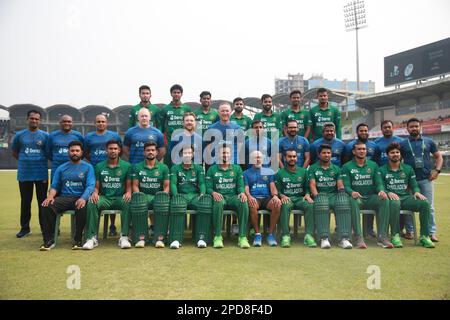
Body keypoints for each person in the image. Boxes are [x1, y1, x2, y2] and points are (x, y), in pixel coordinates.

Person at [39, 141, 95, 250]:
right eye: (72, 151)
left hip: (80, 197)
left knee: (82, 207)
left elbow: (90, 185)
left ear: (81, 152)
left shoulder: (88, 167)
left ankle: (78, 240)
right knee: (46, 206)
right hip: (64, 198)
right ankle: (48, 240)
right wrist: (50, 197)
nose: (75, 153)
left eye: (77, 151)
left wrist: (83, 198)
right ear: (68, 152)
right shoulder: (61, 168)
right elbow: (55, 185)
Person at [379, 142, 435, 248]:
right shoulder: (381, 169)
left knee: (424, 203)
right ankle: (395, 235)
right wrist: (387, 192)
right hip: (392, 199)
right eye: (392, 152)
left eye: (397, 152)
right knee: (395, 202)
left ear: (400, 154)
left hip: (406, 198)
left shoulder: (408, 168)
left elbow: (414, 185)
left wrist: (417, 192)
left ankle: (425, 236)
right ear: (387, 155)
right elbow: (379, 186)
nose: (395, 154)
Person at [340, 141, 392, 249]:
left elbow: (378, 183)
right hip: (357, 198)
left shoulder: (373, 165)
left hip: (371, 198)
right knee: (353, 201)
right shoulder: (346, 166)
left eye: (364, 149)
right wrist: (352, 192)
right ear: (354, 151)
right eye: (359, 149)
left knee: (384, 200)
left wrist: (381, 191)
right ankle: (358, 237)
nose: (362, 151)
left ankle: (382, 237)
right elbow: (346, 186)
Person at [82, 140, 133, 250]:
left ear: (119, 150)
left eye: (115, 149)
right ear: (106, 150)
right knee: (92, 202)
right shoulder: (99, 166)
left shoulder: (127, 166)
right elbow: (96, 186)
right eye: (110, 148)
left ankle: (124, 237)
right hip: (105, 198)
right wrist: (95, 193)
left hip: (120, 198)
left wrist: (129, 192)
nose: (113, 151)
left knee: (128, 202)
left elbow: (129, 186)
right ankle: (91, 238)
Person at [400, 118, 443, 242]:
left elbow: (438, 157)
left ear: (420, 127)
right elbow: (397, 160)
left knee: (429, 207)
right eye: (411, 126)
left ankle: (431, 232)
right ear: (407, 129)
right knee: (408, 207)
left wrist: (437, 170)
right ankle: (410, 231)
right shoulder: (403, 144)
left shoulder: (429, 141)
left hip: (426, 180)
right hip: (408, 182)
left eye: (416, 126)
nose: (414, 128)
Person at [12, 110, 49, 238]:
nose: (34, 121)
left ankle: (45, 228)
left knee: (42, 202)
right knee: (25, 201)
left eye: (37, 119)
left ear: (40, 121)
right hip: (25, 173)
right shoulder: (19, 135)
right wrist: (26, 161)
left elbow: (48, 153)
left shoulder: (45, 136)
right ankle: (25, 228)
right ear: (27, 119)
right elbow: (15, 152)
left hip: (41, 173)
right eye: (32, 118)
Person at [84, 114, 122, 236]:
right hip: (95, 170)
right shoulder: (89, 137)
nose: (101, 123)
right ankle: (91, 227)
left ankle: (112, 225)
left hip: (110, 170)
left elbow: (118, 151)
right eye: (98, 121)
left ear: (107, 123)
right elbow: (86, 152)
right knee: (93, 198)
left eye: (103, 121)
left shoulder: (114, 136)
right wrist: (95, 162)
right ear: (94, 123)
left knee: (111, 194)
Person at [309, 144, 353, 249]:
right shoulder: (313, 168)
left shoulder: (337, 169)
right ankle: (324, 238)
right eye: (324, 153)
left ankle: (344, 239)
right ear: (319, 155)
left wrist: (342, 194)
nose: (326, 155)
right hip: (320, 195)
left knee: (343, 202)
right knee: (322, 203)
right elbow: (312, 185)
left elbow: (340, 184)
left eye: (328, 153)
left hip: (333, 196)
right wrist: (316, 196)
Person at [206, 143, 250, 249]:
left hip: (233, 197)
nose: (225, 155)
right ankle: (217, 236)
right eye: (223, 153)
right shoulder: (212, 169)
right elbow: (208, 187)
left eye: (227, 153)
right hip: (220, 197)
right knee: (218, 202)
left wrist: (242, 193)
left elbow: (240, 186)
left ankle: (242, 237)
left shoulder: (237, 169)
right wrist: (213, 193)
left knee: (243, 202)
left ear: (231, 155)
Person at [169, 145, 212, 249]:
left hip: (194, 196)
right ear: (181, 155)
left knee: (205, 204)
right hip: (181, 195)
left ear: (193, 154)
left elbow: (202, 183)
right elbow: (173, 184)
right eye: (185, 153)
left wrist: (202, 193)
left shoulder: (198, 168)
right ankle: (176, 239)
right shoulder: (175, 168)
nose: (187, 155)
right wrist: (175, 195)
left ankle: (201, 238)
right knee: (177, 205)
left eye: (189, 153)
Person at [130, 142, 170, 248]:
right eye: (148, 150)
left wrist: (163, 196)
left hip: (158, 197)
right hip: (144, 196)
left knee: (162, 203)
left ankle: (160, 238)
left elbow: (166, 187)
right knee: (139, 202)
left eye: (152, 150)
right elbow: (135, 185)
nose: (150, 152)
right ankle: (141, 237)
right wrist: (139, 196)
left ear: (157, 152)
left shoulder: (164, 167)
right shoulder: (137, 167)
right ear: (144, 152)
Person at [344, 123, 381, 238]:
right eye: (361, 130)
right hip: (354, 178)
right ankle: (355, 230)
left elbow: (376, 161)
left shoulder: (374, 146)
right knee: (355, 201)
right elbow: (345, 160)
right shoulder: (350, 146)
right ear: (357, 132)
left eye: (366, 130)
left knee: (371, 197)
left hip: (368, 174)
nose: (364, 132)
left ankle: (368, 230)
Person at [276, 149, 316, 248]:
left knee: (310, 205)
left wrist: (307, 194)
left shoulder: (303, 172)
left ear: (297, 158)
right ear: (285, 158)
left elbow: (307, 187)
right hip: (287, 198)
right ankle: (285, 235)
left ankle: (309, 236)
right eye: (289, 156)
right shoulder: (280, 173)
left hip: (299, 198)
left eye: (294, 156)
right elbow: (277, 189)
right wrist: (281, 195)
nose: (292, 158)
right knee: (284, 206)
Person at [244, 151, 281, 247]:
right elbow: (246, 188)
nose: (257, 159)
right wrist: (249, 196)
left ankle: (271, 234)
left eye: (259, 157)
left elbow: (272, 187)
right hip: (254, 198)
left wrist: (275, 196)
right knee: (252, 204)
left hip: (267, 198)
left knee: (277, 204)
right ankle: (257, 234)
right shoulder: (246, 173)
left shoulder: (269, 171)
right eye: (255, 157)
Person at [157, 84, 192, 165]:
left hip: (183, 142)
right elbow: (161, 127)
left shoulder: (187, 108)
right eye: (174, 92)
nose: (176, 94)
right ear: (171, 94)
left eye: (178, 92)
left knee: (182, 163)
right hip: (169, 142)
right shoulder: (165, 109)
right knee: (168, 163)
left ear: (181, 94)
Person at [205, 102, 245, 166]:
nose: (225, 113)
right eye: (222, 111)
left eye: (227, 111)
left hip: (233, 164)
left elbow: (240, 149)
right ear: (218, 112)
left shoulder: (237, 128)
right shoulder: (211, 128)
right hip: (216, 164)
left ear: (231, 112)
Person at [47, 115, 84, 180]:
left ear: (72, 123)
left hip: (74, 167)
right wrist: (57, 159)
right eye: (64, 121)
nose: (66, 123)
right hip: (56, 167)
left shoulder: (78, 135)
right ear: (60, 123)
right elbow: (48, 152)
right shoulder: (52, 135)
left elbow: (83, 151)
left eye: (69, 121)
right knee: (55, 188)